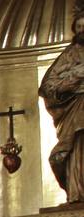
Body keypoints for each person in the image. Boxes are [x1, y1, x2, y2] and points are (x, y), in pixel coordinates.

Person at [40, 12, 84, 202]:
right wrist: (74, 78)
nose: (83, 30)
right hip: (76, 108)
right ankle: (78, 190)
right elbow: (50, 85)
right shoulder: (69, 55)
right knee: (77, 145)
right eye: (79, 27)